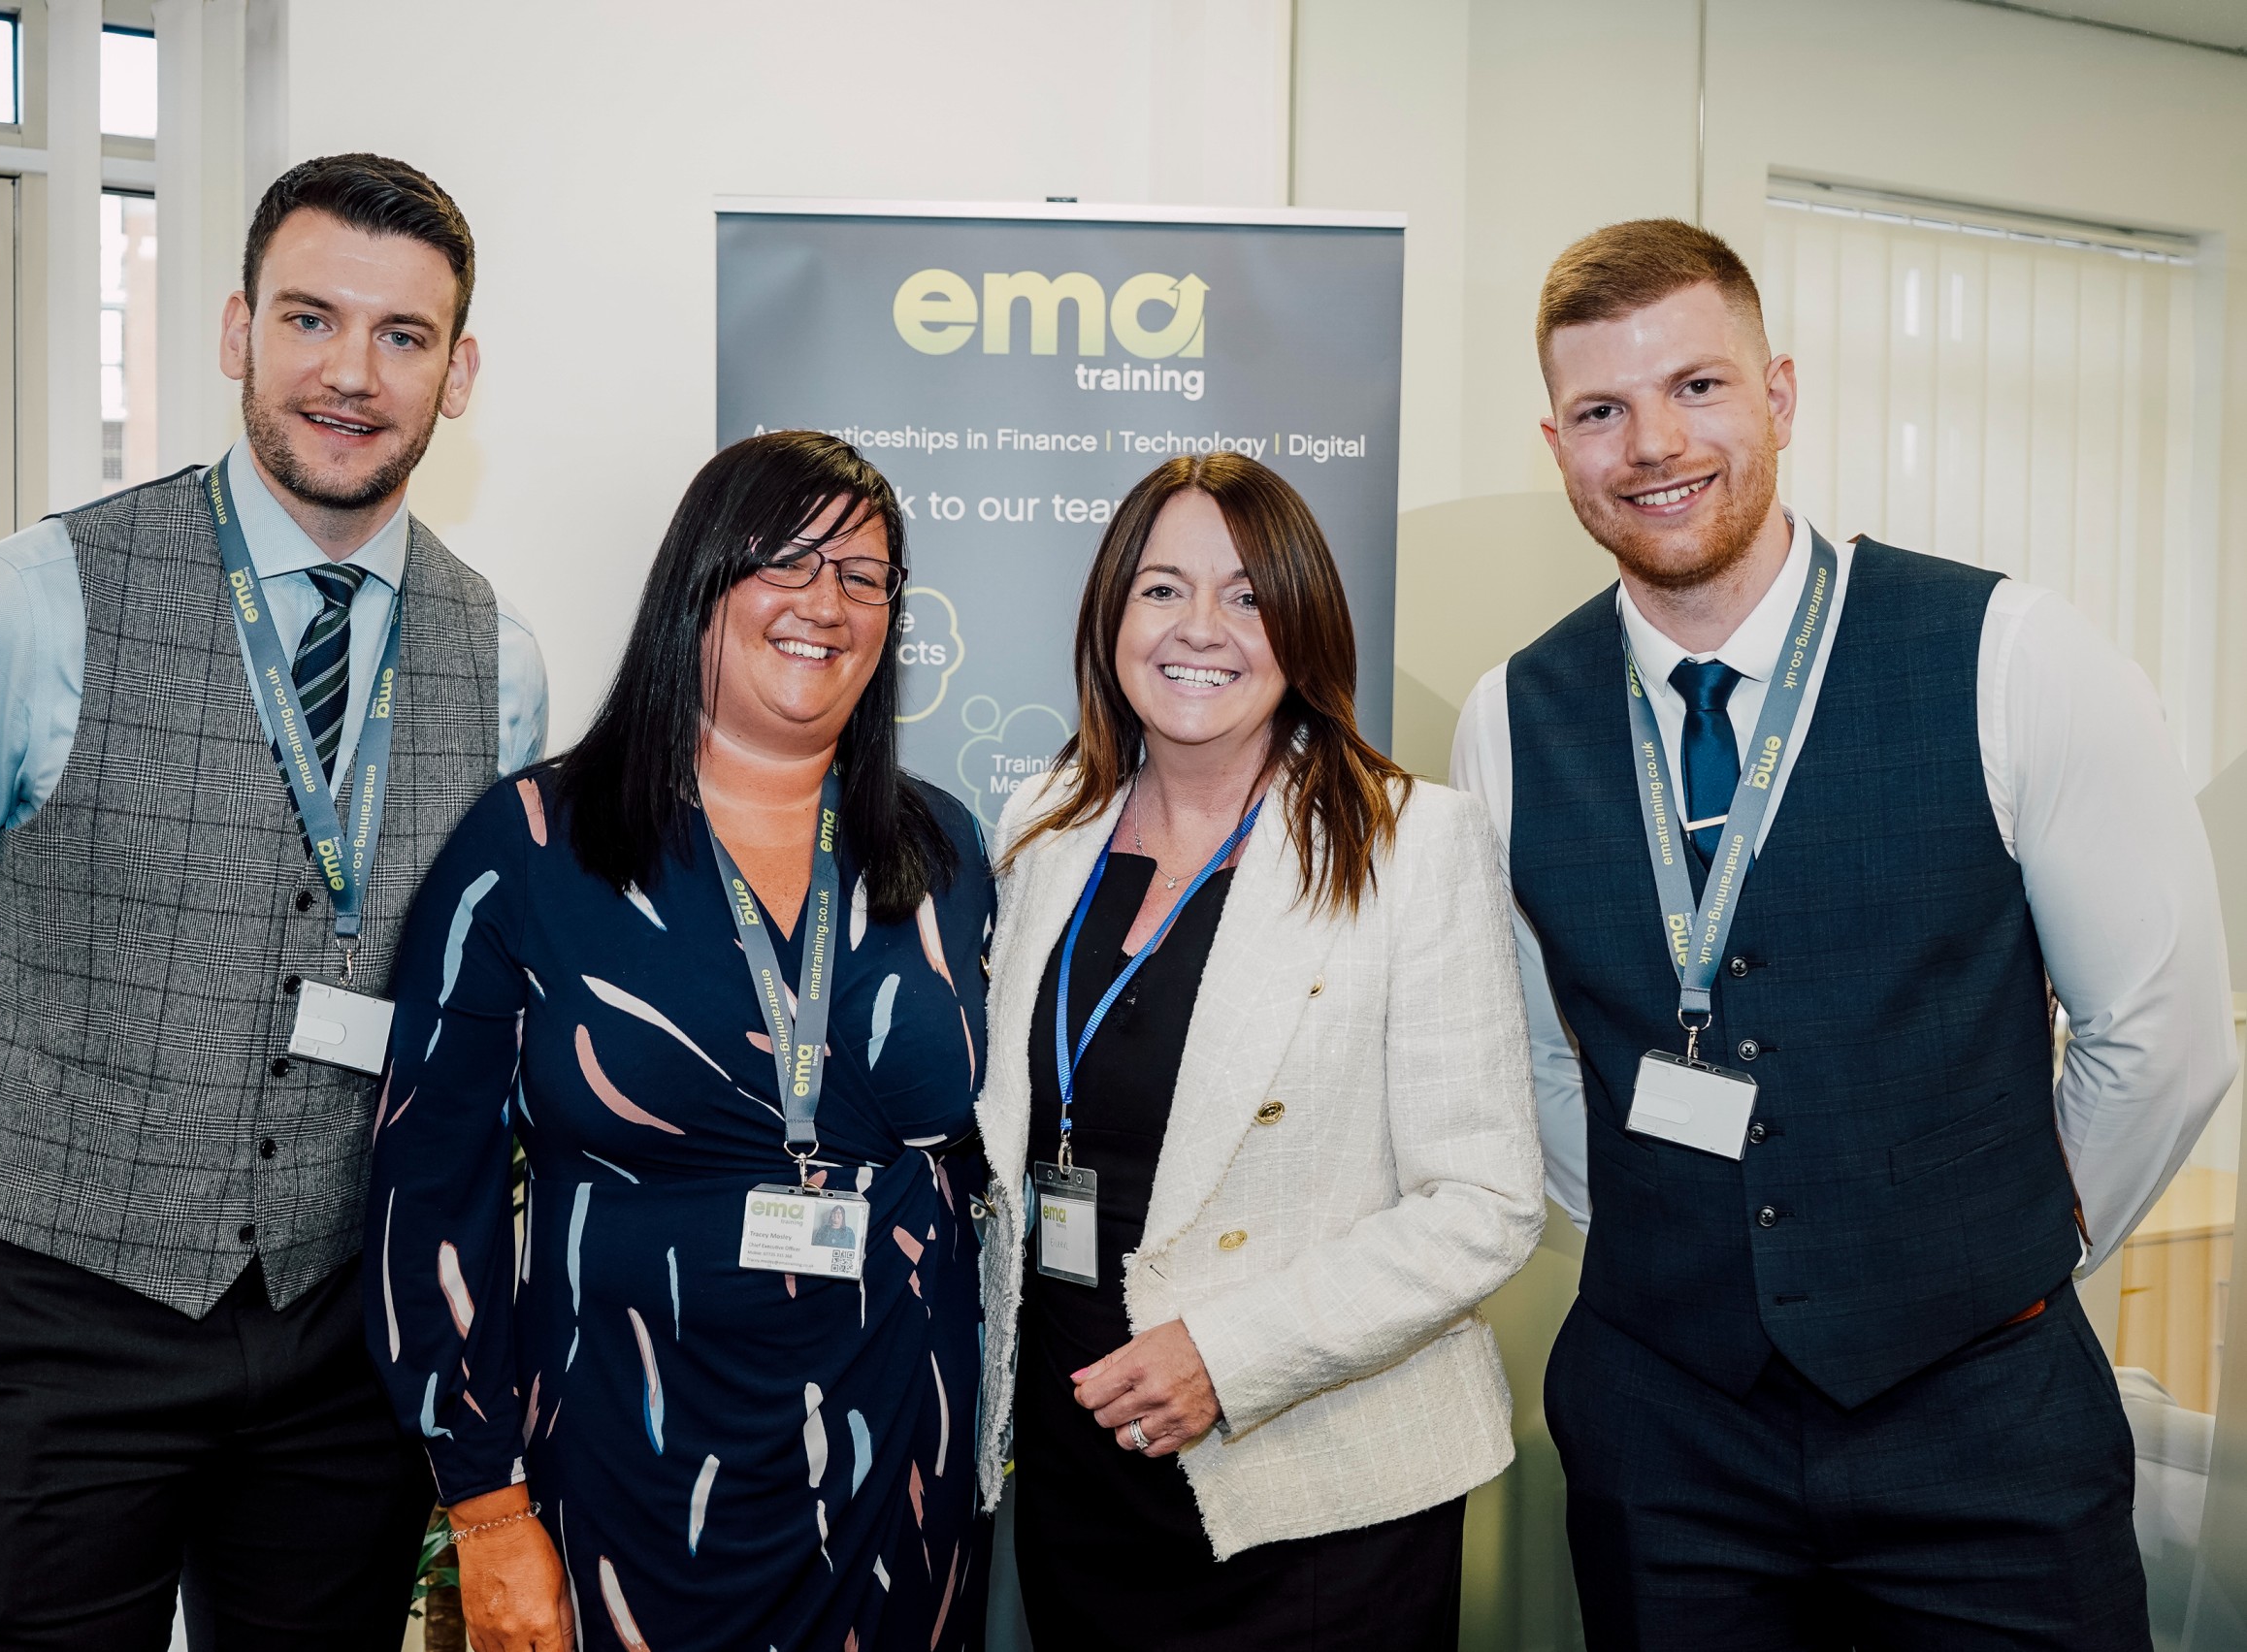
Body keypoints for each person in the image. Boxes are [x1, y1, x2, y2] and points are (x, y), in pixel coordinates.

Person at [1450, 218, 2236, 1649]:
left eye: (1696, 386)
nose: (1649, 444)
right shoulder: (1508, 717)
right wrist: (1675, 1242)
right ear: (1555, 442)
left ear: (1780, 397)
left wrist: (2015, 1242)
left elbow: (2161, 1033)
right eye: (1599, 409)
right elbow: (1532, 1061)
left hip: (1983, 1430)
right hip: (1663, 1442)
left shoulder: (2009, 650)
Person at [0, 153, 547, 1650]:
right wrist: (16, 1150)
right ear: (235, 333)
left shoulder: (502, 659)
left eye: (402, 336)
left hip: (342, 1336)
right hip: (51, 1324)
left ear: (456, 371)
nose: (350, 373)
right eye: (309, 319)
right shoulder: (22, 604)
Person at [365, 431, 993, 1652]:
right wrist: (486, 1507)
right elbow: (423, 1186)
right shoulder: (532, 846)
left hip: (893, 1464)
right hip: (626, 1464)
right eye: (787, 560)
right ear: (699, 580)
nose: (826, 601)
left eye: (864, 576)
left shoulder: (944, 852)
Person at [976, 454, 1544, 1651]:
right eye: (1160, 589)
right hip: (1083, 1474)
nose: (1199, 630)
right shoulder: (1039, 826)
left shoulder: (1410, 841)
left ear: (1301, 622)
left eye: (1244, 595)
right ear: (1108, 616)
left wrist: (1228, 1357)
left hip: (1312, 1491)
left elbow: (1483, 1202)